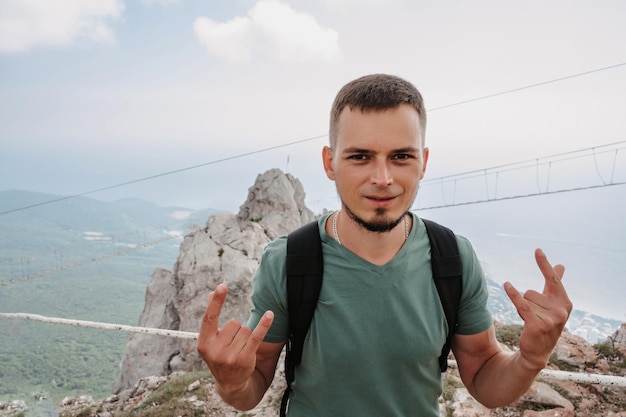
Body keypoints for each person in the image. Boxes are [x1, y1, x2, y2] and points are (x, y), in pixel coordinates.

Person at [196, 74, 573, 416]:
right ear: (330, 163)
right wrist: (231, 381)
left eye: (401, 156)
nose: (382, 178)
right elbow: (253, 386)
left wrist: (530, 358)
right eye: (360, 156)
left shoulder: (453, 258)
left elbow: (485, 379)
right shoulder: (289, 260)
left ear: (423, 162)